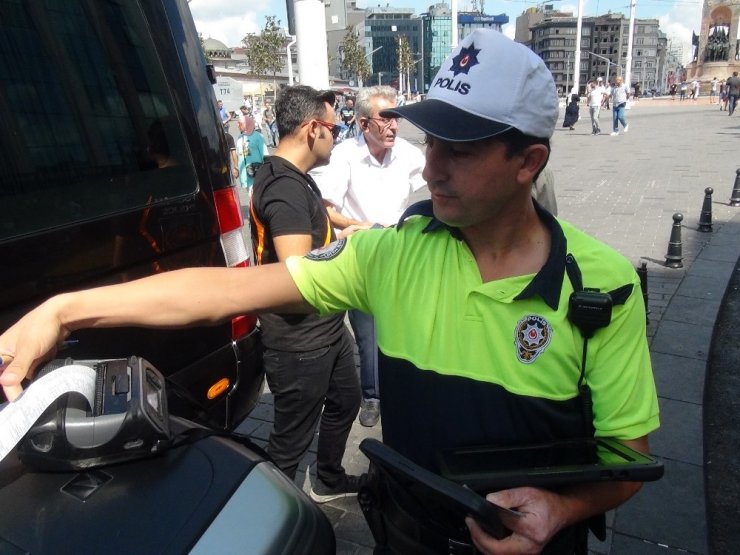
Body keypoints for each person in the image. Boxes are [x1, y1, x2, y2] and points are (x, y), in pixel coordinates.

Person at [1, 30, 660, 555]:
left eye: (459, 148)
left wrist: (564, 508)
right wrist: (64, 310)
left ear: (528, 162)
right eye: (430, 140)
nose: (430, 165)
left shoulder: (601, 285)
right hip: (402, 538)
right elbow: (224, 290)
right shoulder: (391, 253)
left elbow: (629, 460)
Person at [248, 85, 361, 502]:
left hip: (327, 330)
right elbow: (297, 270)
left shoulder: (296, 180)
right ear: (313, 129)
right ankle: (272, 517)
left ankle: (328, 478)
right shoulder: (285, 188)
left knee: (346, 401)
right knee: (289, 444)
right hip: (298, 341)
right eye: (335, 127)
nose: (339, 134)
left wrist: (355, 227)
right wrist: (349, 248)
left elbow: (322, 213)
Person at [311, 85, 426, 428]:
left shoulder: (409, 155)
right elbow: (327, 210)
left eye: (397, 118)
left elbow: (429, 190)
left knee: (408, 325)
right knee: (369, 333)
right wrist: (366, 227)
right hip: (362, 256)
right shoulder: (343, 156)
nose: (393, 126)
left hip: (403, 254)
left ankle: (406, 386)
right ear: (363, 124)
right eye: (385, 119)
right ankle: (372, 395)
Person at [235, 116, 268, 192]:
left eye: (240, 124)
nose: (238, 125)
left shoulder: (258, 136)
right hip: (245, 174)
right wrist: (236, 168)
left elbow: (265, 154)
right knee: (251, 197)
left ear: (247, 124)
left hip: (256, 173)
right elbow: (239, 155)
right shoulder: (240, 138)